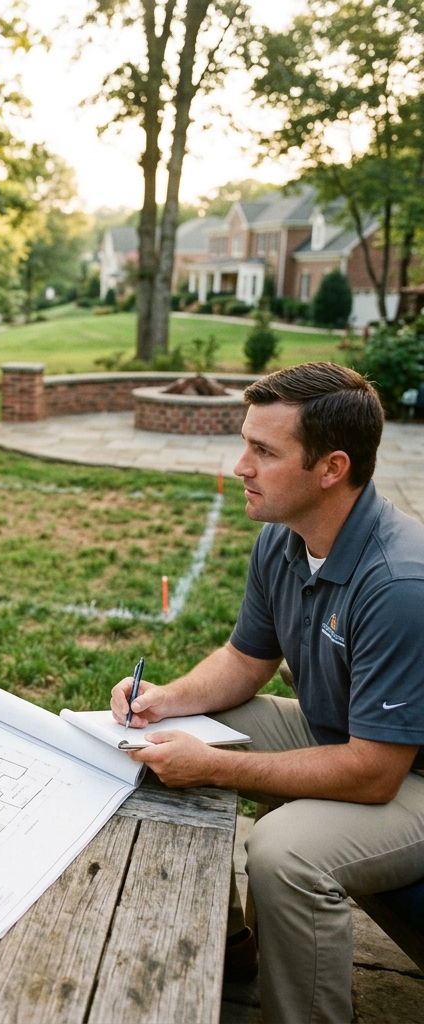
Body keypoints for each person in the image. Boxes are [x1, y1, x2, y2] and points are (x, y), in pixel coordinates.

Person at [110, 363, 424, 1024]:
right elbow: (243, 661)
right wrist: (164, 700)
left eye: (264, 451)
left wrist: (219, 765)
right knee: (164, 740)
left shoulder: (399, 585)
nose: (240, 466)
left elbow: (373, 774)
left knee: (282, 852)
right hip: (343, 737)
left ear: (331, 468)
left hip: (405, 774)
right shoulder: (283, 538)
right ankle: (234, 946)